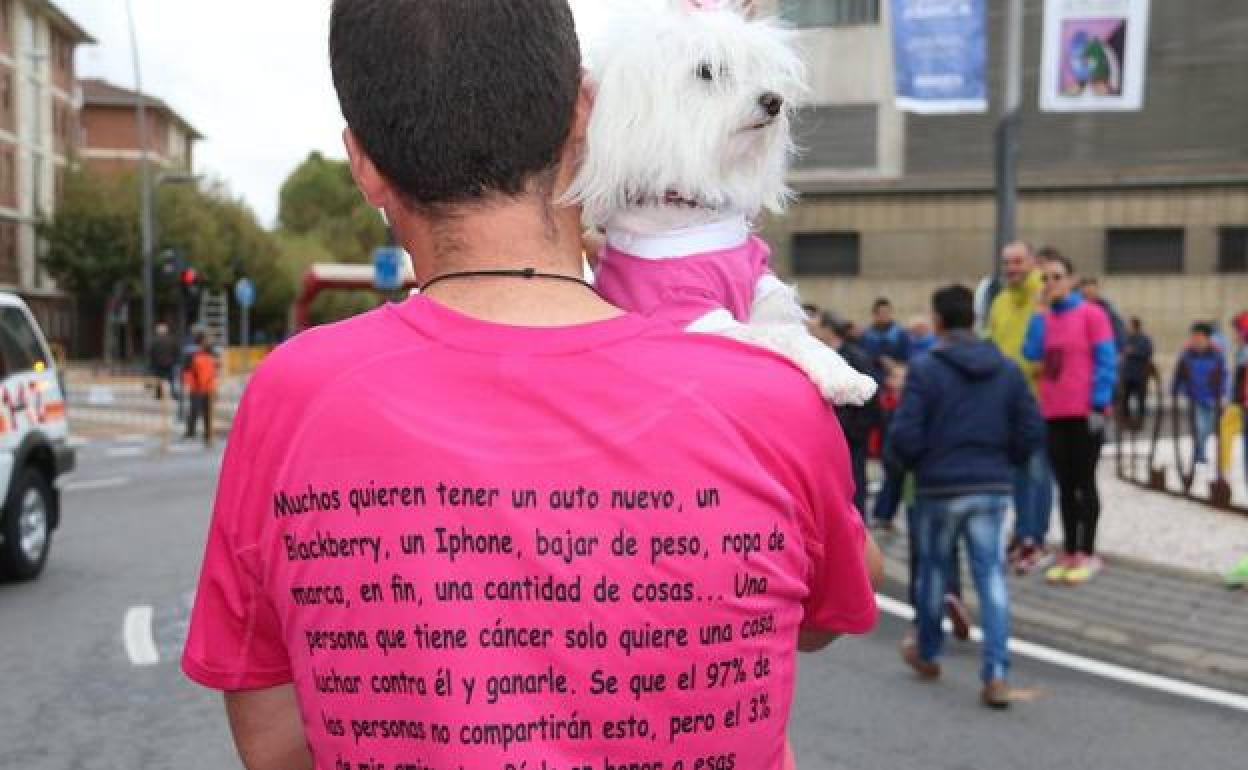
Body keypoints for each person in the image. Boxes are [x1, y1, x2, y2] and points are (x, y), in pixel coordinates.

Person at [181, 4, 879, 770]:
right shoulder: (772, 392)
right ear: (583, 115)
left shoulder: (292, 397)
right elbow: (826, 613)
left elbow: (273, 739)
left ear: (364, 165)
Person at [890, 285, 1043, 709]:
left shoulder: (925, 369)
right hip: (991, 486)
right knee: (991, 576)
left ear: (938, 321)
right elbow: (1031, 428)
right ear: (974, 321)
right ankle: (996, 672)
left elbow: (905, 432)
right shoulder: (1007, 369)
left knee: (934, 571)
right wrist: (1003, 462)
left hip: (939, 486)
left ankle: (927, 649)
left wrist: (921, 464)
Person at [1024, 251, 1117, 585]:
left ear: (1071, 279)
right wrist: (1038, 313)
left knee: (1084, 482)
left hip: (1084, 413)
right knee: (1064, 486)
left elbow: (1106, 361)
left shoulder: (1092, 315)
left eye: (1056, 277)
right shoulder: (1045, 318)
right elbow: (1032, 353)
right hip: (1053, 412)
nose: (1050, 283)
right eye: (1045, 278)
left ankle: (1088, 551)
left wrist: (1098, 404)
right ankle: (1070, 548)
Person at [985, 240, 1053, 574]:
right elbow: (993, 344)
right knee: (1016, 472)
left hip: (1040, 399)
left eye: (1018, 262)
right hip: (1006, 400)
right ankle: (1024, 531)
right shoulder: (1000, 300)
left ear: (1032, 263)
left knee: (1038, 472)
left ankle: (1035, 538)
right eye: (1007, 262)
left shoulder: (1044, 295)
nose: (1011, 268)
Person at [817, 311, 878, 517]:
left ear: (828, 329)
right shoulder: (820, 356)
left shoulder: (856, 357)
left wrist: (854, 431)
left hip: (850, 437)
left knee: (854, 486)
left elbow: (870, 398)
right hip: (827, 437)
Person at [1173, 322, 1227, 466]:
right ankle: (1199, 454)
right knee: (1199, 426)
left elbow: (1223, 375)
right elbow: (1179, 373)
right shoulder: (1187, 354)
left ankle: (1199, 452)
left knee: (1207, 428)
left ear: (1207, 338)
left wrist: (1222, 393)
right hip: (1194, 395)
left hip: (1210, 396)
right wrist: (1175, 389)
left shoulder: (1216, 354)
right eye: (1194, 336)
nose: (1196, 339)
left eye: (1199, 336)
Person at [183, 334, 217, 447]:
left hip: (209, 388)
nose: (209, 342)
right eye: (207, 340)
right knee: (195, 410)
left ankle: (208, 434)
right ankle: (191, 432)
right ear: (201, 342)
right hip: (197, 388)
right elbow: (187, 371)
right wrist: (188, 384)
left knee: (208, 412)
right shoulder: (192, 355)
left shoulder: (211, 354)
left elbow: (213, 371)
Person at [1120, 317, 1154, 423]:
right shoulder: (1126, 339)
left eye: (1129, 326)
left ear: (1135, 327)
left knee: (1140, 399)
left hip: (1140, 374)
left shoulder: (1144, 339)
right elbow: (1122, 351)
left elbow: (1147, 352)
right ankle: (1126, 419)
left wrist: (1133, 351)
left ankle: (1140, 420)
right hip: (1127, 374)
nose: (1127, 328)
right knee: (1124, 398)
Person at [1078, 277, 1126, 352]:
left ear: (1096, 290)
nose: (1089, 295)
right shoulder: (1074, 308)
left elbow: (1119, 330)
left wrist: (1119, 351)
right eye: (1086, 293)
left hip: (1101, 349)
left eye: (1091, 292)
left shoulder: (1106, 308)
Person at [149, 322, 179, 401]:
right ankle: (174, 394)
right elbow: (176, 351)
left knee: (159, 378)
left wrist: (152, 363)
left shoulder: (155, 341)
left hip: (158, 363)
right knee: (172, 379)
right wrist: (175, 360)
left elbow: (152, 353)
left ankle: (159, 394)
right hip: (170, 362)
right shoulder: (171, 340)